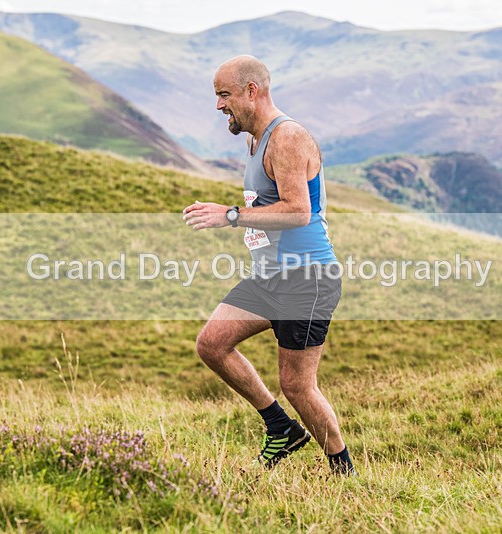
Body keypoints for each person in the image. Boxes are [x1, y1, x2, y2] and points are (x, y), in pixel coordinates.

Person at [182, 55, 354, 475]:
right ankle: (281, 428)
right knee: (212, 344)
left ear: (251, 92)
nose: (219, 105)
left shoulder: (288, 137)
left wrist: (231, 215)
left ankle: (343, 470)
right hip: (271, 276)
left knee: (297, 384)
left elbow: (298, 212)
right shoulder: (254, 140)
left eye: (224, 95)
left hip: (307, 277)